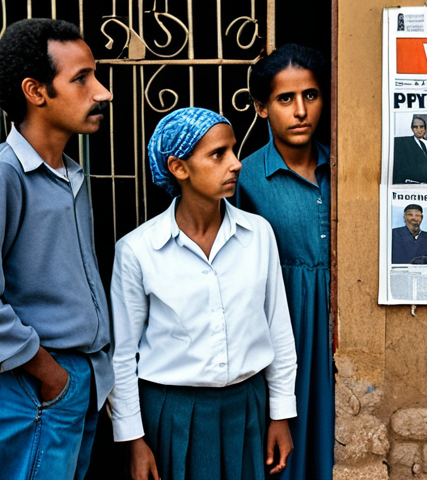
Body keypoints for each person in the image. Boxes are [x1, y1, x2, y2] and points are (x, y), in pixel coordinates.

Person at [0, 19, 113, 480]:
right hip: (29, 387)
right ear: (36, 91)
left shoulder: (71, 176)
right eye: (81, 79)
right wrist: (50, 374)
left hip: (66, 383)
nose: (103, 92)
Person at [109, 108, 298, 480]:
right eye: (218, 154)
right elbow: (121, 355)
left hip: (247, 407)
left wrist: (280, 414)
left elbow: (279, 331)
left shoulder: (258, 235)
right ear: (179, 168)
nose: (236, 164)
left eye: (233, 150)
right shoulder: (138, 250)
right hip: (171, 413)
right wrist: (133, 440)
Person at [235, 44, 334, 480]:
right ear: (261, 107)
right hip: (281, 328)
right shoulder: (246, 178)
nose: (300, 111)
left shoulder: (343, 168)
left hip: (339, 327)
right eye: (285, 99)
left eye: (310, 96)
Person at [393, 116, 427, 184]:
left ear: (425, 129)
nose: (419, 130)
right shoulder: (406, 144)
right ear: (412, 129)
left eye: (421, 127)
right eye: (415, 127)